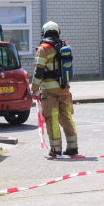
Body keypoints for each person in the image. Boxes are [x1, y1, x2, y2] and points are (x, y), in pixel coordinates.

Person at [31, 21, 78, 156]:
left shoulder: (43, 48)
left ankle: (56, 149)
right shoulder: (66, 46)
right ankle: (73, 147)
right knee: (66, 118)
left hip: (49, 92)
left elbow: (39, 72)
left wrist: (34, 89)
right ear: (58, 32)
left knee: (52, 119)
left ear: (44, 32)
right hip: (65, 89)